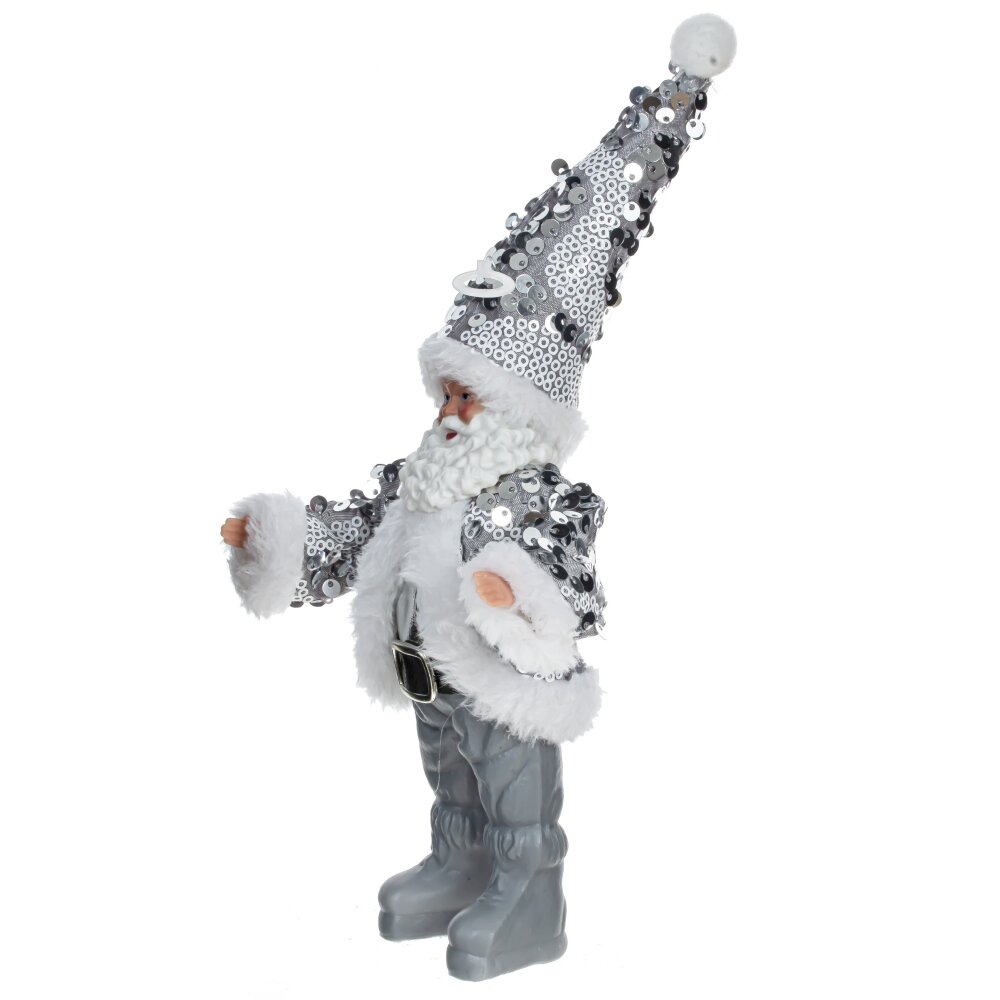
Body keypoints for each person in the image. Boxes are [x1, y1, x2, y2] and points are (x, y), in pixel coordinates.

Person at [220, 12, 735, 979]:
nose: (451, 412)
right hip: (426, 666)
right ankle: (459, 863)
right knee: (449, 774)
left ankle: (529, 890)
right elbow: (359, 527)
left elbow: (572, 575)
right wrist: (276, 540)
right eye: (448, 394)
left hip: (497, 674)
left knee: (509, 779)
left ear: (516, 407)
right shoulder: (425, 473)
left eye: (470, 397)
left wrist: (514, 588)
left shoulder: (539, 491)